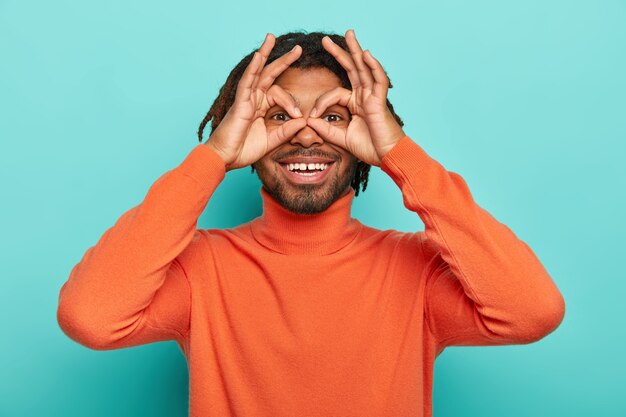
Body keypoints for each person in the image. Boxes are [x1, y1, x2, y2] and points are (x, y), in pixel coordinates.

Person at [56, 29, 566, 417]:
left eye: (333, 117)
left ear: (366, 137)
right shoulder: (201, 269)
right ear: (248, 139)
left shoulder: (416, 270)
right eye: (280, 117)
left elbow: (532, 312)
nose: (306, 136)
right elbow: (91, 317)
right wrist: (212, 158)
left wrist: (400, 155)